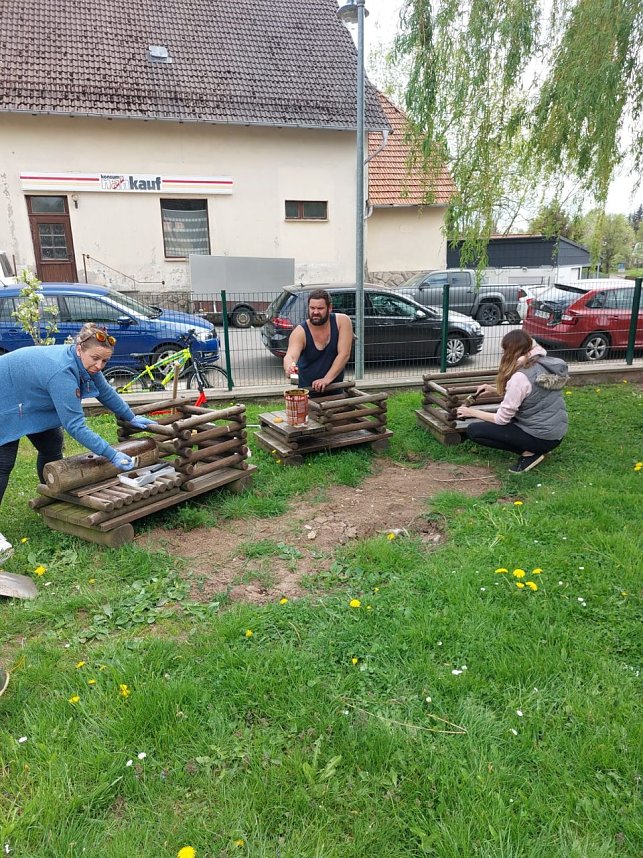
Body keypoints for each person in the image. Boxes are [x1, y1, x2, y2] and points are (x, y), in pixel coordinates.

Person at [0, 323, 155, 505]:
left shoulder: (85, 362)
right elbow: (75, 426)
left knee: (52, 444)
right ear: (80, 349)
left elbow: (104, 390)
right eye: (96, 359)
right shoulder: (62, 373)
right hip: (4, 397)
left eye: (104, 361)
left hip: (25, 397)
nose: (99, 366)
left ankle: (52, 495)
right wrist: (111, 454)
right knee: (4, 462)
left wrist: (130, 416)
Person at [456, 329, 569, 473]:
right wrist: (492, 390)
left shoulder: (520, 377)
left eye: (505, 350)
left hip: (540, 437)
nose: (503, 354)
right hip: (556, 434)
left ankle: (530, 453)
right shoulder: (543, 363)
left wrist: (470, 411)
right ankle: (535, 449)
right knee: (508, 420)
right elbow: (529, 395)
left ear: (511, 351)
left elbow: (501, 419)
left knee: (475, 431)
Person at [283, 290, 353, 394]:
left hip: (335, 390)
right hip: (308, 393)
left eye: (320, 308)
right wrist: (289, 367)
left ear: (330, 308)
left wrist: (326, 380)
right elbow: (290, 356)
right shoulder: (300, 331)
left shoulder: (342, 322)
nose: (315, 312)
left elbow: (344, 354)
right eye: (312, 308)